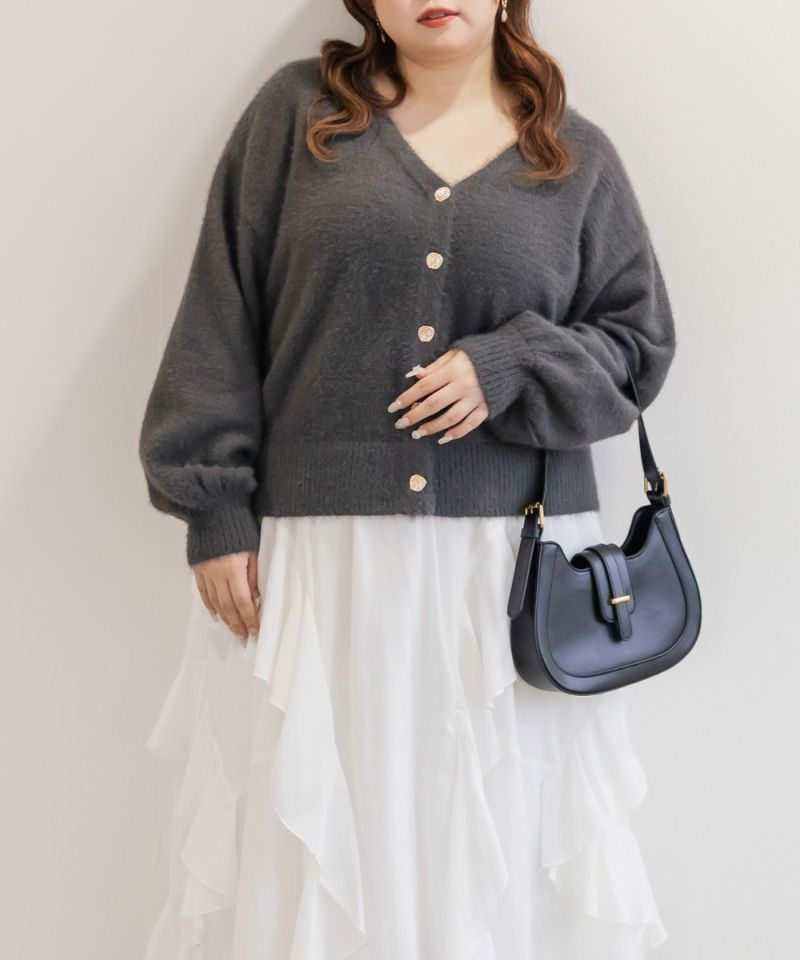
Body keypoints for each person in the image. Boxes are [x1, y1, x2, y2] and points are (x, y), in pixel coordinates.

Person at [138, 3, 676, 957]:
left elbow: (639, 347)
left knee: (496, 842)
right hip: (325, 561)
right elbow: (221, 313)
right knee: (330, 836)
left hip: (515, 569)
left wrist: (511, 363)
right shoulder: (298, 119)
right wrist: (214, 506)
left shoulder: (572, 157)